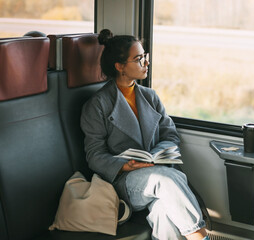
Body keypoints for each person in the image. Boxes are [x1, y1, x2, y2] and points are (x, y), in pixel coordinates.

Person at [80, 29, 209, 240]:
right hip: (123, 182)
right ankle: (200, 236)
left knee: (163, 211)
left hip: (156, 173)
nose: (146, 63)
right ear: (120, 67)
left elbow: (170, 135)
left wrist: (157, 154)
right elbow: (94, 155)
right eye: (138, 59)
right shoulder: (97, 105)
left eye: (145, 57)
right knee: (167, 179)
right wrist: (124, 165)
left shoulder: (150, 97)